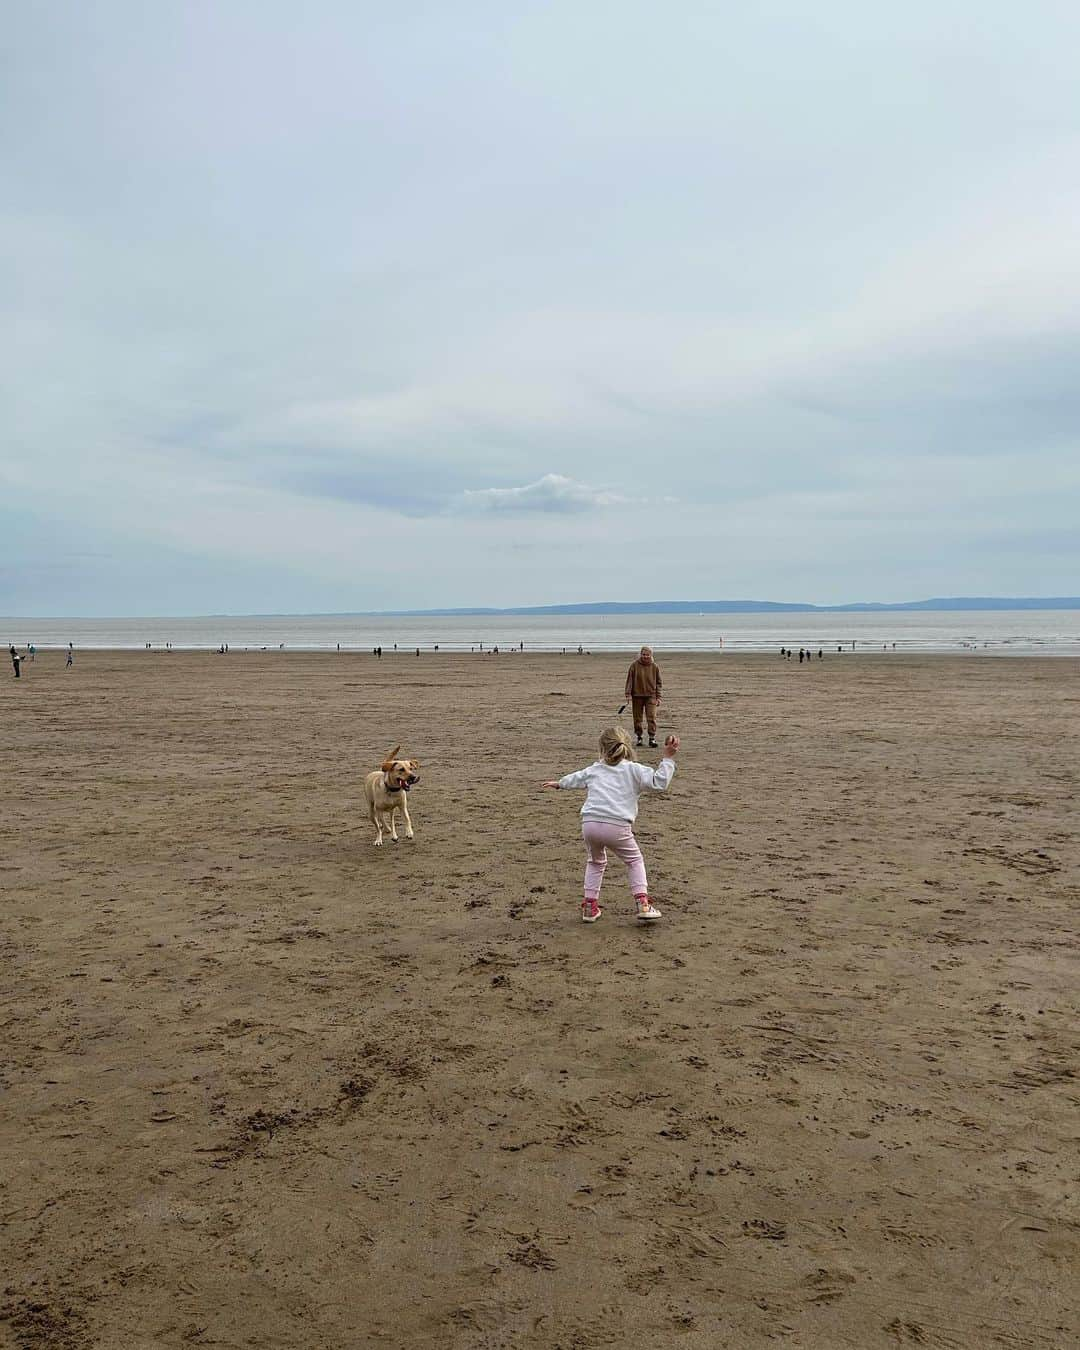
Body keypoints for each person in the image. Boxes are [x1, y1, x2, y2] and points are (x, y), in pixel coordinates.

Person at [543, 727, 679, 924]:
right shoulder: (635, 770)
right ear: (627, 747)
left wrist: (560, 783)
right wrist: (668, 758)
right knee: (634, 861)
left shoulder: (595, 769)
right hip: (616, 825)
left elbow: (577, 778)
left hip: (589, 824)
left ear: (602, 748)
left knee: (595, 862)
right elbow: (660, 783)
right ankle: (643, 903)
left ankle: (590, 907)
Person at [624, 645, 663, 748]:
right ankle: (639, 737)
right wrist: (628, 694)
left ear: (651, 655)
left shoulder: (655, 666)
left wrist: (658, 697)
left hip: (651, 696)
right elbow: (629, 681)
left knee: (652, 717)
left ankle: (652, 738)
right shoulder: (634, 666)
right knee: (637, 719)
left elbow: (659, 683)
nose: (645, 656)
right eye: (643, 654)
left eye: (647, 655)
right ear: (640, 654)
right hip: (637, 696)